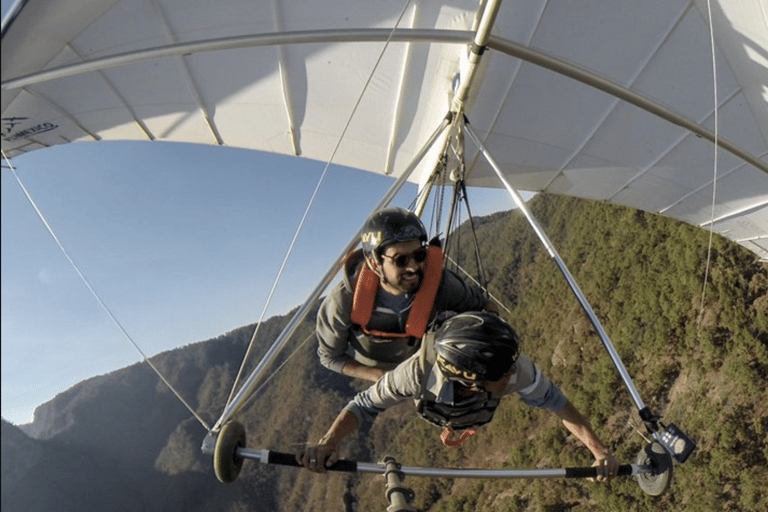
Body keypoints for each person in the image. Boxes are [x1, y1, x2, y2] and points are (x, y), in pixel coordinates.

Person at [299, 311, 620, 481]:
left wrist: (599, 451)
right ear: (470, 377)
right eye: (501, 373)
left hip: (470, 401)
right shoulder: (414, 375)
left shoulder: (518, 371)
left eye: (509, 366)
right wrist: (329, 442)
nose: (511, 374)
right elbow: (362, 405)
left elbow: (559, 405)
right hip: (436, 395)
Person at [316, 207, 498, 382]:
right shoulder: (344, 300)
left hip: (424, 362)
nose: (413, 267)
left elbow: (485, 306)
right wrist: (380, 377)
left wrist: (489, 340)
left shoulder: (438, 283)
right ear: (374, 263)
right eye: (400, 260)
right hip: (376, 370)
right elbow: (330, 357)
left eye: (419, 255)